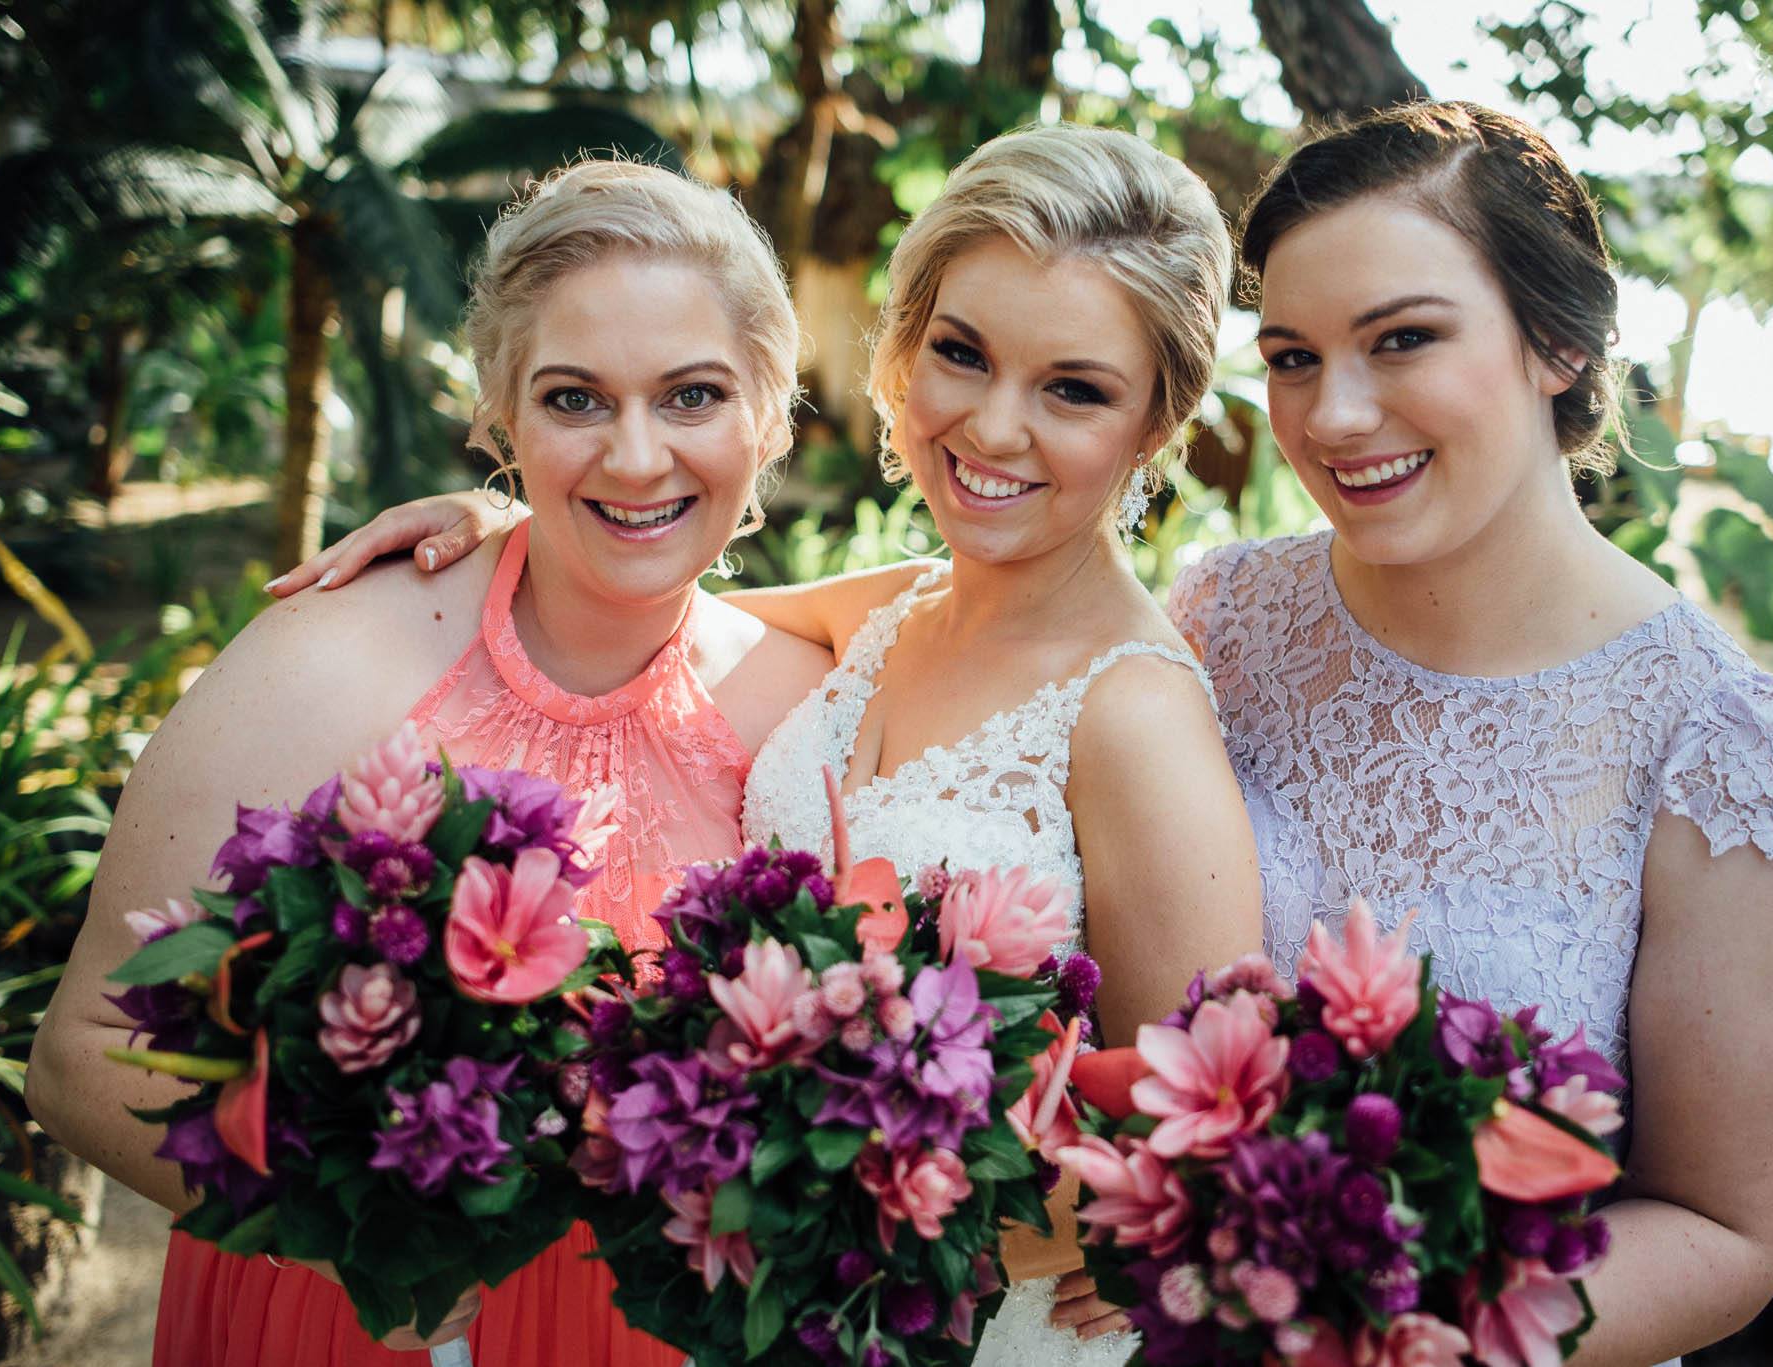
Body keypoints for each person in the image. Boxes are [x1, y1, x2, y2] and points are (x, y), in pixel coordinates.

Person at [271, 123, 1265, 1364]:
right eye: (961, 353)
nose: (994, 426)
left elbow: (1203, 1158)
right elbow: (658, 590)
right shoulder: (890, 610)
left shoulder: (1133, 716)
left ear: (1158, 421)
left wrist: (804, 1204)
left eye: (1073, 388)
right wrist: (500, 515)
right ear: (903, 354)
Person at [28, 159, 832, 1365]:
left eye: (691, 395)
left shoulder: (817, 705)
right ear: (497, 412)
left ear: (767, 412)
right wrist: (344, 1239)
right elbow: (79, 1054)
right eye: (572, 399)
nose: (632, 455)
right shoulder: (327, 656)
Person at [1166, 101, 1773, 1366]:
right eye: (1288, 356)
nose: (1330, 415)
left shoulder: (1724, 749)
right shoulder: (1219, 617)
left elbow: (1723, 1227)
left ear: (1557, 341)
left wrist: (1391, 1333)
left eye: (1401, 339)